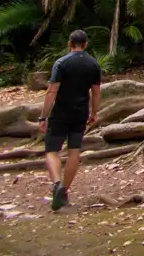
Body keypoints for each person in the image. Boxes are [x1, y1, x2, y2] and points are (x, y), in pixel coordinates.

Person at [37, 29, 102, 211]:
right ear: (85, 44)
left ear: (69, 43)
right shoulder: (93, 64)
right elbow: (96, 93)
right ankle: (64, 191)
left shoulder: (61, 63)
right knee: (74, 151)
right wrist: (94, 113)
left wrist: (43, 116)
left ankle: (57, 184)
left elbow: (52, 91)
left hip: (60, 112)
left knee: (51, 150)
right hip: (80, 112)